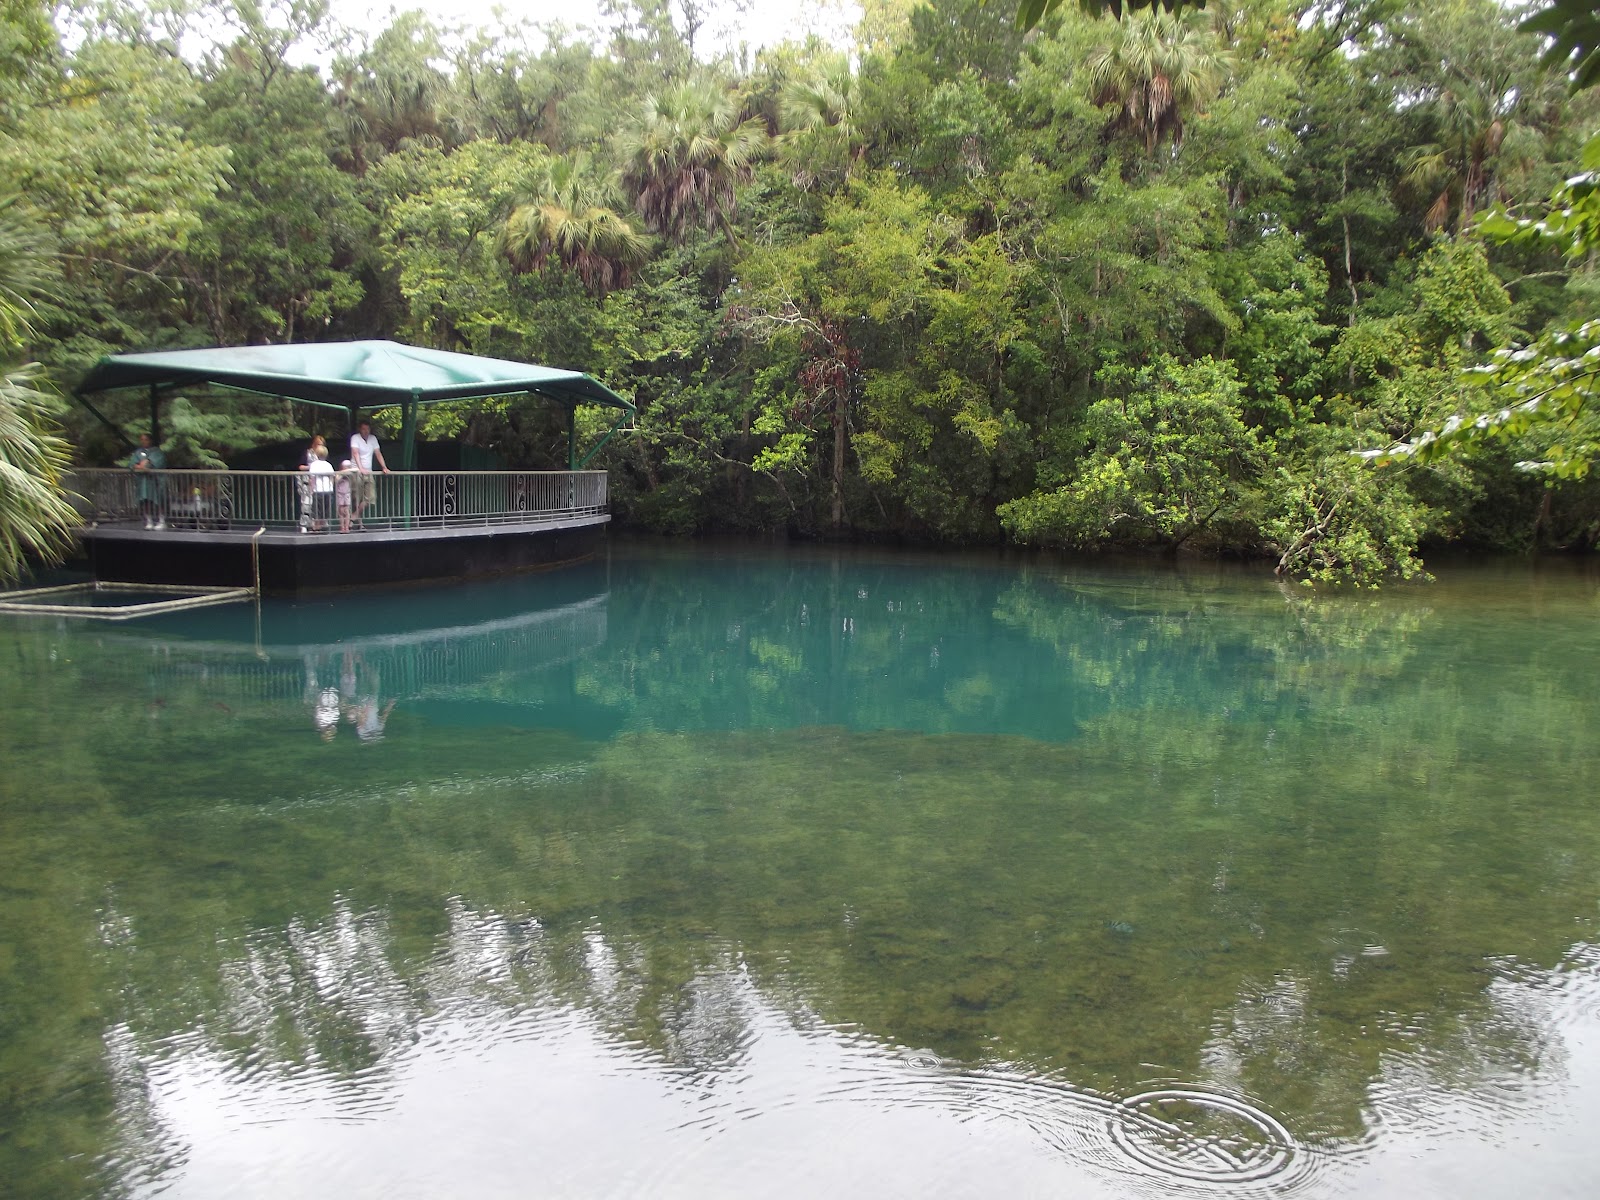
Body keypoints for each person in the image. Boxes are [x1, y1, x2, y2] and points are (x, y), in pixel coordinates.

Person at [349, 419, 389, 528]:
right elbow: (355, 453)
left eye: (367, 429)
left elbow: (378, 453)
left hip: (369, 471)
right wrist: (360, 468)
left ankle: (353, 516)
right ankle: (360, 524)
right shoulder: (355, 438)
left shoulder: (373, 439)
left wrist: (384, 467)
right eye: (363, 429)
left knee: (370, 498)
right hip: (356, 471)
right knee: (357, 498)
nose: (366, 431)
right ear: (360, 429)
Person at [126, 432, 167, 529]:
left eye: (146, 439)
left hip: (155, 481)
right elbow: (132, 464)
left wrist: (146, 464)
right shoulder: (138, 452)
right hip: (143, 481)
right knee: (145, 500)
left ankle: (161, 520)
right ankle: (149, 520)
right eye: (142, 440)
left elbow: (153, 463)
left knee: (158, 500)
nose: (144, 442)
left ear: (150, 440)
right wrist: (138, 466)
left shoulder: (157, 451)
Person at [296, 435, 326, 532]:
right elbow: (300, 467)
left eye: (321, 445)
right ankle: (304, 525)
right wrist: (312, 467)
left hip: (318, 483)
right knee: (306, 504)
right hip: (306, 482)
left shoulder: (323, 454)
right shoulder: (307, 453)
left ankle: (316, 525)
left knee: (317, 505)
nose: (319, 446)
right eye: (318, 444)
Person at [307, 446, 336, 531]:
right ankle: (321, 524)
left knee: (316, 509)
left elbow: (312, 478)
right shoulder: (328, 464)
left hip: (318, 490)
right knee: (325, 508)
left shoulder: (314, 465)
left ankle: (317, 526)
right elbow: (332, 476)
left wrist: (311, 489)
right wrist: (331, 486)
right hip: (328, 490)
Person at [336, 459, 355, 532]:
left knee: (346, 511)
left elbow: (356, 470)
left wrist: (348, 471)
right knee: (341, 511)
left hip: (347, 493)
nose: (347, 468)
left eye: (348, 467)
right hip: (340, 494)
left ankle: (346, 527)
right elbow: (336, 480)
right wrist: (341, 474)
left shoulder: (350, 474)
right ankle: (342, 527)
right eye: (345, 467)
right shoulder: (339, 474)